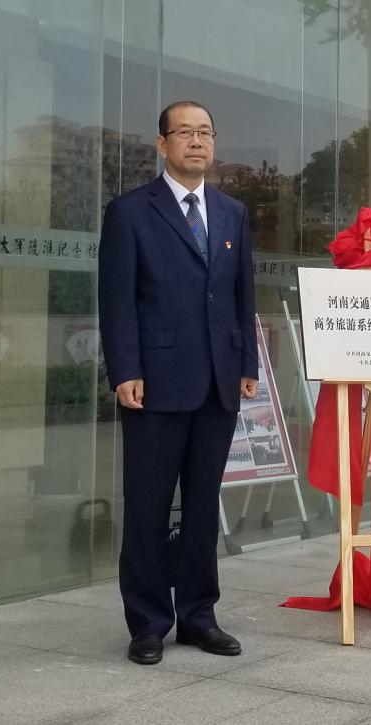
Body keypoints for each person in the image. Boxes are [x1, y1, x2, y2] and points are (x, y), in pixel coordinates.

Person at [98, 100, 258, 665]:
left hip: (218, 381)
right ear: (162, 144)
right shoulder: (130, 212)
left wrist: (247, 364)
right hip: (155, 382)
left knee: (202, 506)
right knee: (147, 505)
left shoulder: (233, 213)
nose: (197, 141)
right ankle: (147, 623)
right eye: (185, 132)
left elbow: (241, 296)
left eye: (205, 132)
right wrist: (125, 369)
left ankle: (198, 616)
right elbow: (117, 300)